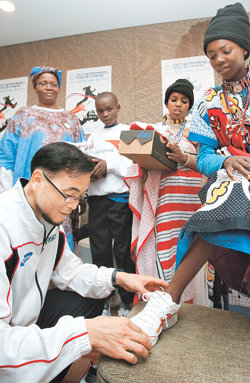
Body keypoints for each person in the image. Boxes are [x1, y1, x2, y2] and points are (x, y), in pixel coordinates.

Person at [131, 2, 250, 345]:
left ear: (244, 47)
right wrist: (226, 162)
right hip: (229, 187)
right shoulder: (208, 102)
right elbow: (203, 158)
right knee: (226, 197)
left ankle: (168, 300)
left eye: (226, 50)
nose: (219, 60)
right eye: (212, 55)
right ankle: (168, 302)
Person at [0, 141, 169, 383]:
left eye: (80, 198)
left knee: (92, 293)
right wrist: (83, 334)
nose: (72, 207)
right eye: (69, 195)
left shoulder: (50, 225)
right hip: (7, 342)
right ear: (37, 180)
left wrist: (119, 277)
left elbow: (71, 272)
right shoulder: (4, 226)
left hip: (27, 323)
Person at [125, 79, 207, 305]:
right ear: (166, 102)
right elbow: (136, 159)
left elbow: (204, 164)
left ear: (189, 105)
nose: (178, 105)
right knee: (161, 244)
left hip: (189, 201)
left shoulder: (196, 132)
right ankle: (160, 300)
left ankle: (187, 302)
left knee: (188, 247)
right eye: (174, 100)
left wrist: (184, 157)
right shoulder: (154, 131)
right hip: (161, 199)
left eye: (184, 101)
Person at [0, 65, 84, 251]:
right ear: (35, 87)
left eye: (53, 84)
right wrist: (7, 192)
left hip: (64, 193)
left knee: (60, 250)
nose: (48, 87)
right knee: (26, 246)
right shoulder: (22, 115)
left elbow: (82, 155)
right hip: (30, 190)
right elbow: (6, 156)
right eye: (43, 83)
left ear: (59, 87)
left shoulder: (71, 119)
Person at [77, 91, 135, 314]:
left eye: (109, 109)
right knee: (99, 252)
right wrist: (89, 171)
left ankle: (128, 302)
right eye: (100, 111)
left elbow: (133, 166)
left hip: (120, 201)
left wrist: (108, 165)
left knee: (123, 252)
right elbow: (86, 163)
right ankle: (106, 301)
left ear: (118, 107)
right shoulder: (92, 137)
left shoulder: (128, 132)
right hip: (97, 202)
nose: (105, 114)